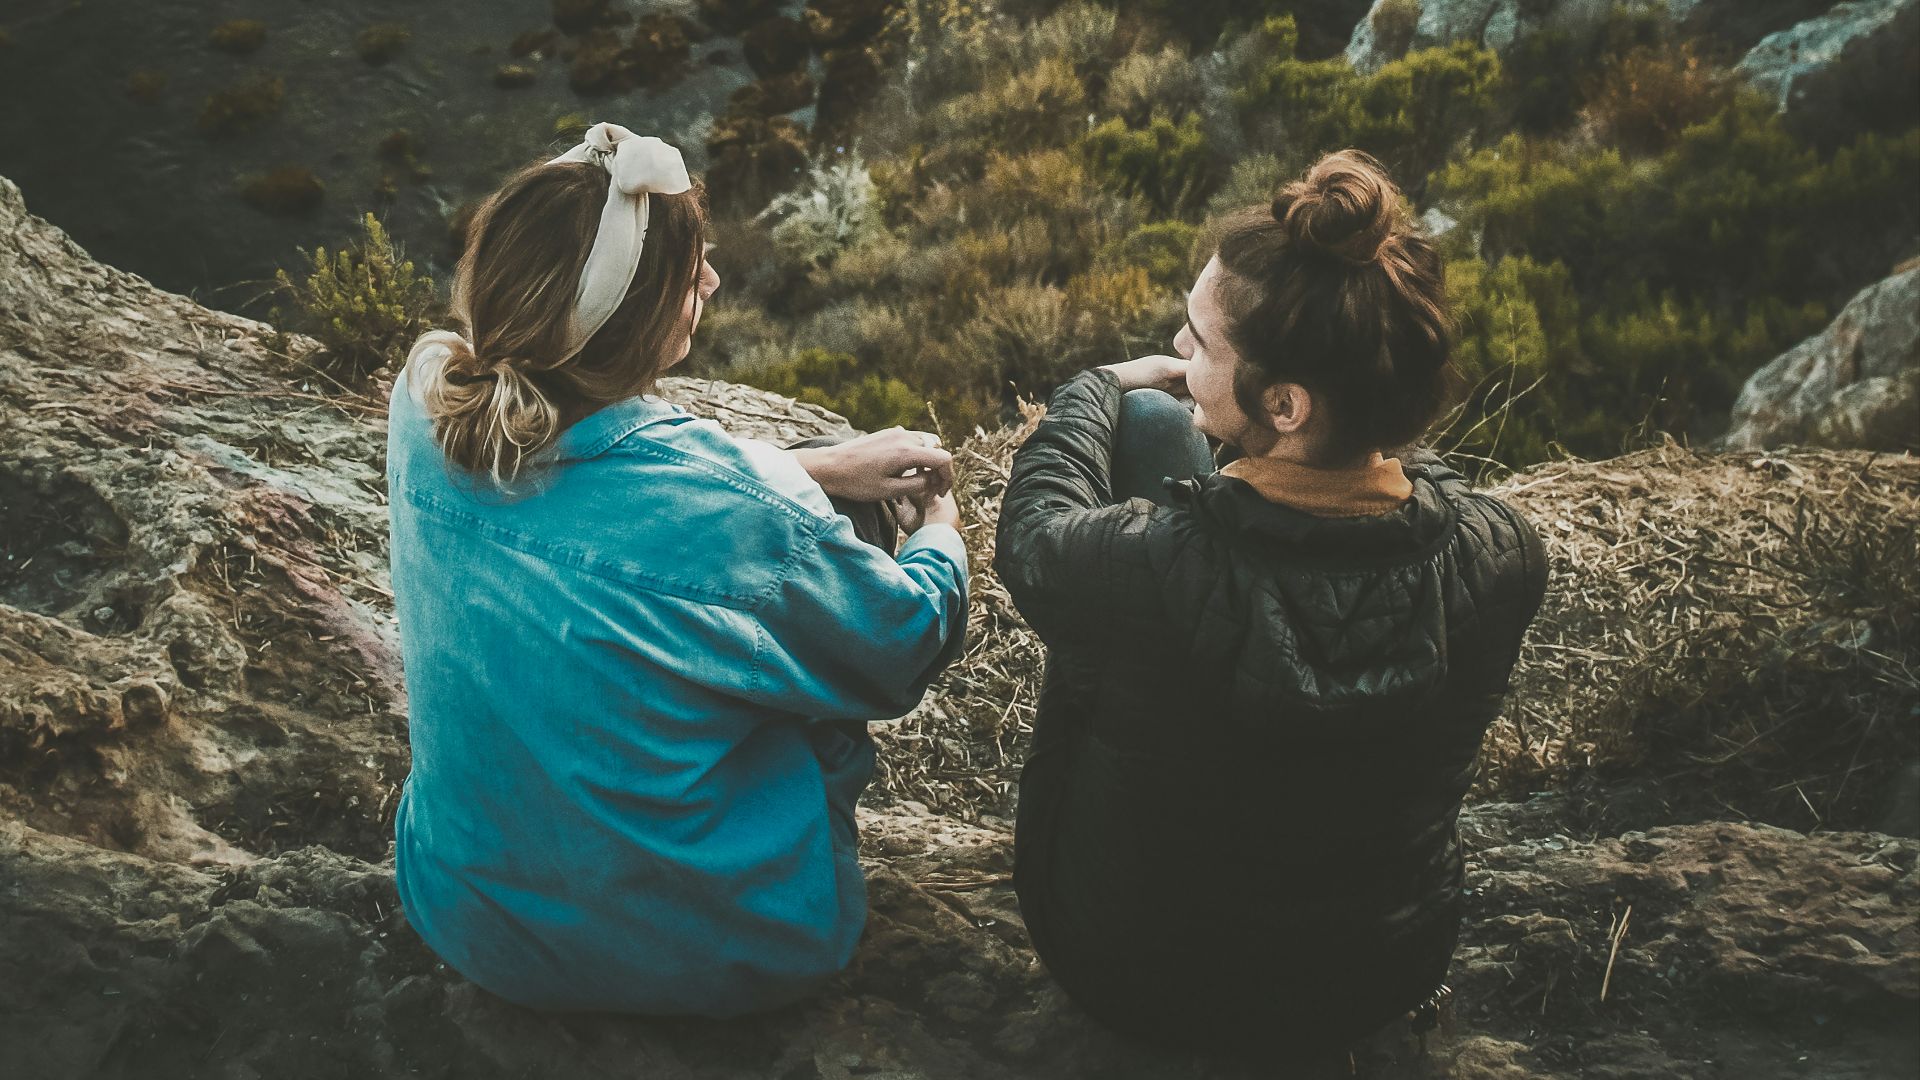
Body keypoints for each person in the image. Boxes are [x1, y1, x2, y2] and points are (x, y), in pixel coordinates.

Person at [385, 123, 968, 1017]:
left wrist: (811, 469)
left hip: (467, 916)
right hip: (704, 954)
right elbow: (904, 643)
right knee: (821, 617)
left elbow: (605, 503)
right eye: (689, 270)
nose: (712, 281)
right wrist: (938, 526)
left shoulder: (423, 394)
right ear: (632, 321)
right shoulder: (731, 511)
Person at [994, 149, 1548, 1064]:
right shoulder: (1504, 556)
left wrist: (1094, 389)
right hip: (1378, 972)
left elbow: (1035, 533)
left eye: (1198, 342)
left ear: (1285, 402)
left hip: (1136, 977)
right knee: (1173, 452)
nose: (1178, 351)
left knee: (1147, 429)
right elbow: (1412, 493)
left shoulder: (1152, 566)